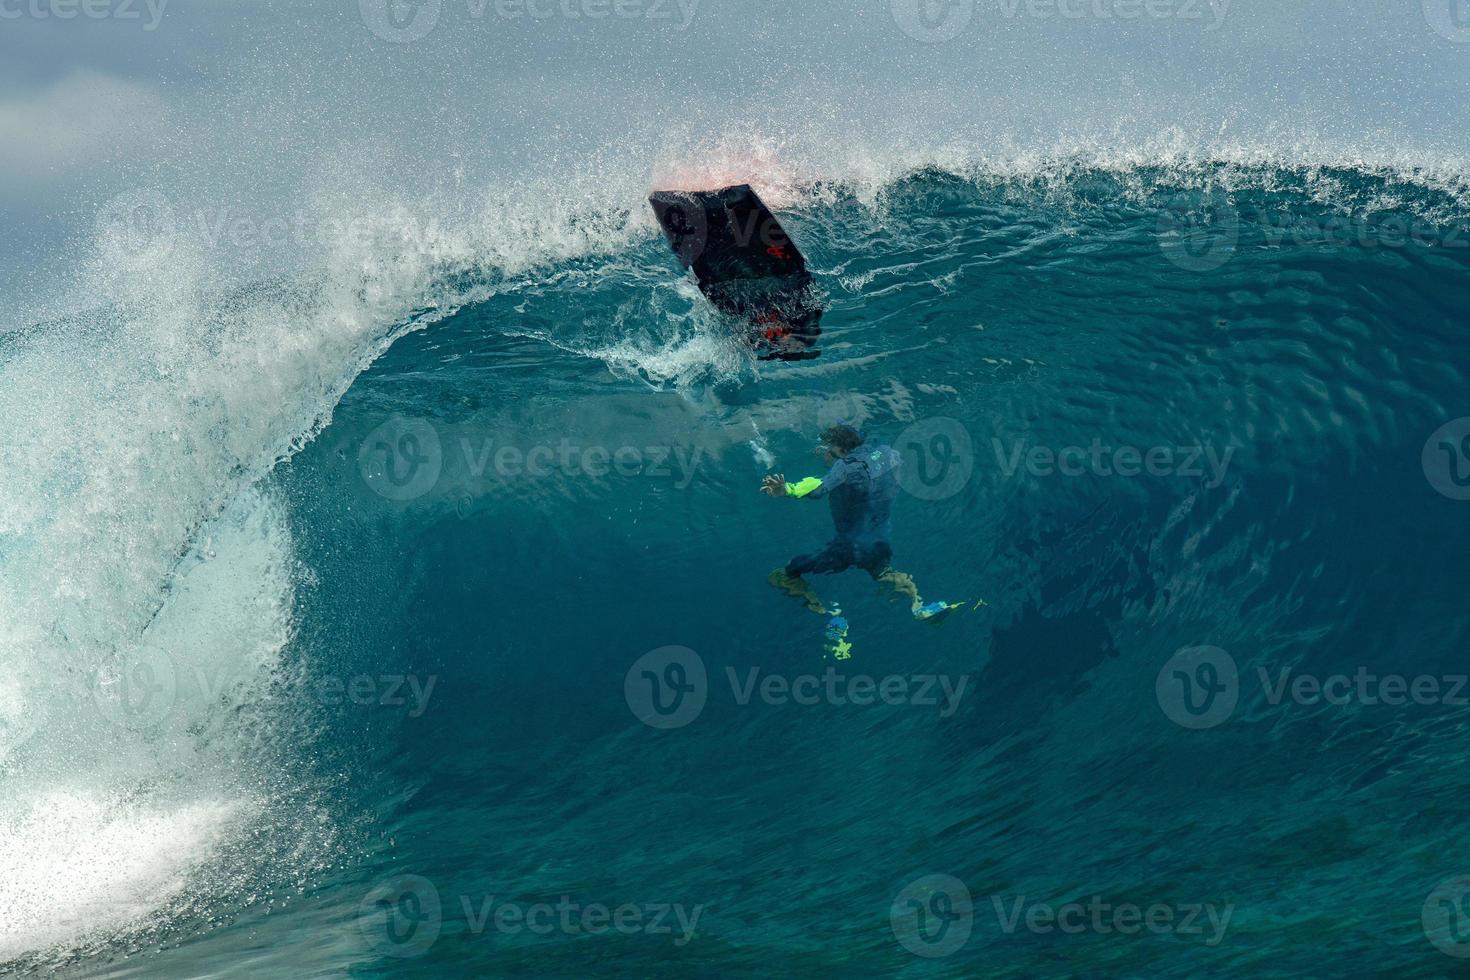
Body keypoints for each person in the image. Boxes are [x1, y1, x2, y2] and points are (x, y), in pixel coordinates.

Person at [762, 423, 970, 658]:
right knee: (883, 572)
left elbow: (819, 489)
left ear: (839, 449)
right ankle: (919, 605)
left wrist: (786, 490)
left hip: (849, 546)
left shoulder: (843, 468)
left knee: (787, 571)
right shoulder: (887, 453)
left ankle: (832, 616)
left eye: (829, 448)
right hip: (880, 539)